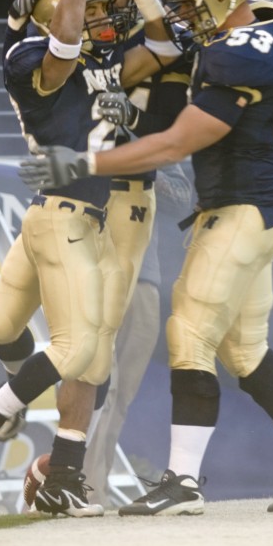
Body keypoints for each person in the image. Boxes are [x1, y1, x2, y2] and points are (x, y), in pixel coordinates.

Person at [19, 0, 273, 515]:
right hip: (264, 208)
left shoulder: (238, 58)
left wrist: (83, 162)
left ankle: (182, 480)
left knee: (188, 334)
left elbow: (176, 142)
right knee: (244, 349)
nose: (184, 17)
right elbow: (189, 36)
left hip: (241, 211)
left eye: (192, 6)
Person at [0, 0, 180, 516]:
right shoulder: (36, 61)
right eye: (90, 6)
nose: (101, 15)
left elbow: (163, 46)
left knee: (5, 331)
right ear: (58, 12)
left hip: (70, 210)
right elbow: (64, 44)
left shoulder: (89, 57)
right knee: (79, 351)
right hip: (71, 214)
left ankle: (62, 470)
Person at [83, 161, 192, 506]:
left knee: (122, 394)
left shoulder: (153, 127)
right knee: (100, 384)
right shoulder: (82, 120)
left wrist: (145, 165)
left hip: (144, 276)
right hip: (91, 270)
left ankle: (91, 485)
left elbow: (182, 199)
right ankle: (87, 490)